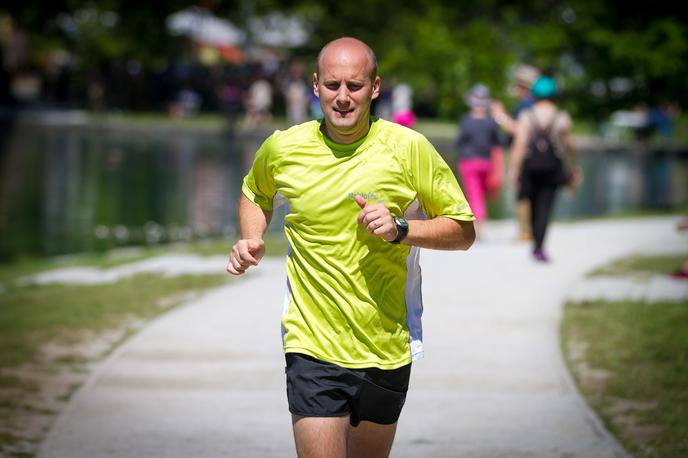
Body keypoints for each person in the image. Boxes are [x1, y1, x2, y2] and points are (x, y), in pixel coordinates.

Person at [226, 37, 476, 458]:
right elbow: (255, 192)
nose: (342, 98)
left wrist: (401, 229)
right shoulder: (284, 148)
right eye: (332, 85)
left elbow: (463, 231)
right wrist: (252, 238)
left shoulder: (408, 149)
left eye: (355, 86)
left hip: (385, 345)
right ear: (315, 86)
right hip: (311, 344)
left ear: (375, 88)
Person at [508, 75, 581, 262]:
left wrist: (514, 169)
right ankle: (539, 246)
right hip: (552, 168)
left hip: (530, 167)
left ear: (534, 95)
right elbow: (568, 146)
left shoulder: (526, 116)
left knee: (531, 204)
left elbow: (520, 144)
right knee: (545, 208)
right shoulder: (561, 117)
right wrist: (574, 167)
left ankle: (535, 241)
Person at [492, 65, 540, 241]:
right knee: (532, 193)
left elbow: (518, 130)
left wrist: (499, 116)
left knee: (522, 193)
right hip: (536, 155)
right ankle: (532, 230)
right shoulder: (536, 104)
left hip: (524, 155)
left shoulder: (525, 105)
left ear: (523, 87)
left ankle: (525, 232)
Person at [456, 83, 504, 237]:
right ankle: (480, 222)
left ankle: (479, 226)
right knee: (481, 194)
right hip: (486, 162)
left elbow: (460, 142)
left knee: (474, 194)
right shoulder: (490, 122)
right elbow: (497, 142)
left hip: (469, 162)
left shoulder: (466, 120)